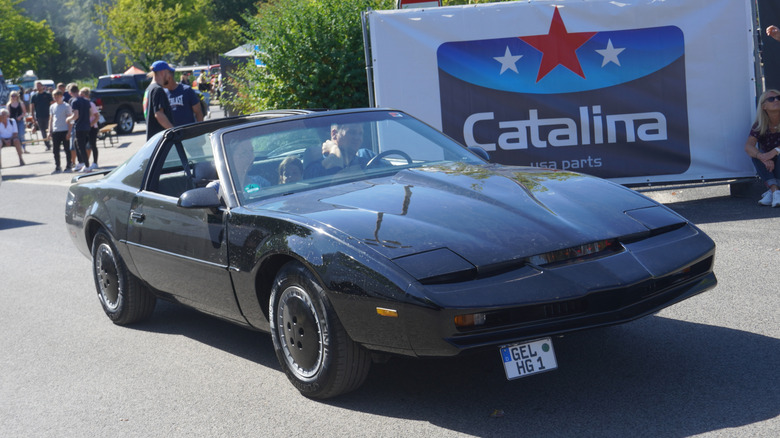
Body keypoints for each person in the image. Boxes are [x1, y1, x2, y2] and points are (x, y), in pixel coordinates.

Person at [745, 89, 780, 207]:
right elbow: (748, 146)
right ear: (764, 106)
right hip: (770, 163)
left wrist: (775, 152)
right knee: (755, 155)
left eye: (779, 98)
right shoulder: (760, 124)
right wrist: (762, 156)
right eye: (771, 99)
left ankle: (773, 191)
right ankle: (775, 190)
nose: (776, 100)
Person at [304, 123, 374, 178]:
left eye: (360, 133)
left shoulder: (367, 156)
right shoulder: (315, 170)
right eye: (352, 132)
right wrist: (334, 151)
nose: (358, 138)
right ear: (334, 134)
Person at [144, 60, 175, 139]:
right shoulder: (158, 90)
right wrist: (173, 131)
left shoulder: (149, 89)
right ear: (162, 72)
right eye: (168, 72)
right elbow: (159, 114)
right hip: (161, 140)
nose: (169, 76)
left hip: (153, 139)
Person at [67, 86, 93, 171]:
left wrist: (68, 119)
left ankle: (87, 166)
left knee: (81, 147)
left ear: (70, 92)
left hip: (79, 127)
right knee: (76, 143)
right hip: (87, 126)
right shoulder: (86, 101)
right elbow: (91, 113)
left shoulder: (74, 101)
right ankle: (81, 163)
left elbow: (76, 115)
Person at [47, 89, 73, 173]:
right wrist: (49, 131)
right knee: (55, 150)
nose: (56, 98)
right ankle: (57, 166)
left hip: (64, 129)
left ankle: (69, 165)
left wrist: (69, 131)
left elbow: (71, 119)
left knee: (66, 149)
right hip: (56, 130)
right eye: (55, 96)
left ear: (61, 96)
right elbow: (51, 119)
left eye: (58, 96)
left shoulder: (66, 106)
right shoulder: (52, 106)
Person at [29, 80, 53, 150]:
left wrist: (52, 115)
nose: (38, 87)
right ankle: (47, 144)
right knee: (42, 131)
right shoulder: (34, 96)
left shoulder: (48, 95)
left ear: (43, 87)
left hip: (48, 115)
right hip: (39, 116)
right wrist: (33, 117)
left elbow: (52, 104)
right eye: (37, 86)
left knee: (50, 130)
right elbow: (32, 107)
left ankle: (53, 142)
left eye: (39, 86)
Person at [81, 87, 100, 171]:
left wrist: (90, 125)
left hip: (92, 128)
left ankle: (95, 162)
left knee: (93, 145)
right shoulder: (81, 104)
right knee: (83, 145)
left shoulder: (91, 104)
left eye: (81, 94)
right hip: (84, 128)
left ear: (86, 95)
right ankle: (85, 162)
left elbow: (97, 116)